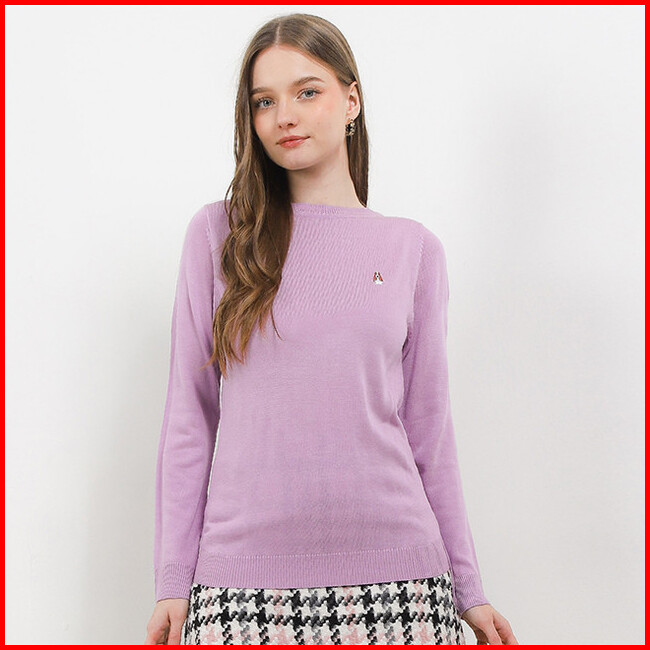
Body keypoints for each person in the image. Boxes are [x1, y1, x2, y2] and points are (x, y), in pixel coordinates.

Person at [144, 12, 518, 646]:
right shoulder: (218, 237)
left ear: (352, 100)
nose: (284, 116)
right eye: (264, 101)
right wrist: (173, 579)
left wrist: (468, 586)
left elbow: (430, 431)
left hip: (401, 586)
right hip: (241, 590)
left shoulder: (414, 250)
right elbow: (190, 417)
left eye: (307, 91)